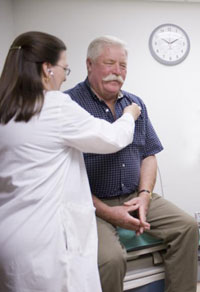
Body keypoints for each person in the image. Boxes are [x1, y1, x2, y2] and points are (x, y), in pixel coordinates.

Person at [0, 31, 142, 292]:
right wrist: (129, 115)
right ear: (47, 69)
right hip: (49, 240)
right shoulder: (53, 105)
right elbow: (112, 138)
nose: (66, 76)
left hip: (12, 236)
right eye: (65, 69)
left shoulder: (6, 107)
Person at [66, 35, 199, 292]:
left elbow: (149, 153)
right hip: (90, 202)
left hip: (134, 194)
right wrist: (106, 211)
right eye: (109, 63)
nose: (117, 72)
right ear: (89, 64)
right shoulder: (69, 105)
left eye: (123, 66)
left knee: (187, 227)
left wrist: (145, 195)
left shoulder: (135, 104)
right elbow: (67, 177)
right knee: (110, 259)